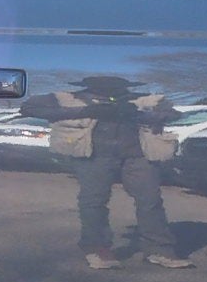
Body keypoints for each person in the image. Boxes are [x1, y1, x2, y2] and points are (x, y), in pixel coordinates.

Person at [24, 74, 190, 268]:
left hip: (137, 154)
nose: (110, 92)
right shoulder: (68, 98)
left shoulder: (143, 99)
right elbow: (29, 108)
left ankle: (160, 250)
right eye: (104, 89)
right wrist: (88, 111)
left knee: (150, 200)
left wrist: (138, 114)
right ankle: (97, 249)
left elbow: (173, 114)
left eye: (115, 89)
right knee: (94, 201)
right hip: (93, 154)